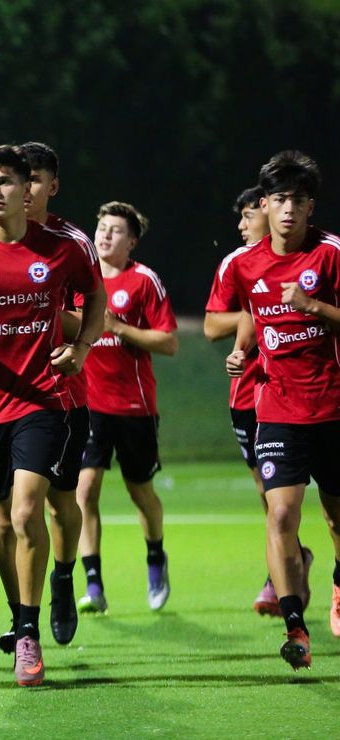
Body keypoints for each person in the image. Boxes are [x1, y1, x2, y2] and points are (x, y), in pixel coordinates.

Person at [0, 145, 104, 687]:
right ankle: (20, 611)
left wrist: (81, 350)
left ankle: (37, 619)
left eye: (5, 181)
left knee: (36, 509)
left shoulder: (63, 246)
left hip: (47, 401)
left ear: (26, 188)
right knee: (2, 521)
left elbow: (96, 300)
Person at [225, 150, 340, 670]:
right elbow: (248, 312)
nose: (288, 209)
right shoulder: (245, 263)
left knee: (335, 516)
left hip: (332, 406)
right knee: (280, 514)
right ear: (265, 204)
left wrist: (312, 305)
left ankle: (337, 582)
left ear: (310, 206)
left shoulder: (331, 253)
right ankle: (296, 627)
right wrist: (241, 349)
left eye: (298, 200)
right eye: (279, 199)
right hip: (276, 407)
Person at [205, 187, 313, 617]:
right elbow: (211, 326)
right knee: (269, 494)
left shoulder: (313, 257)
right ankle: (286, 568)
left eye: (248, 215)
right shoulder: (239, 264)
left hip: (307, 393)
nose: (241, 225)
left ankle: (296, 568)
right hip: (250, 394)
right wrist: (259, 306)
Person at [75, 202, 177, 614]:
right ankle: (93, 584)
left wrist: (119, 328)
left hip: (134, 406)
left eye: (115, 230)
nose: (105, 235)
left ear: (131, 241)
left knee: (140, 492)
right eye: (101, 227)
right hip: (88, 404)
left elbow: (168, 342)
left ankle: (155, 556)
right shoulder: (80, 278)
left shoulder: (143, 281)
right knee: (84, 491)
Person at [20, 141, 97, 649]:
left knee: (59, 502)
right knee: (16, 511)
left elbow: (92, 314)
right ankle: (21, 618)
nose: (24, 188)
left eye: (34, 178)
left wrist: (39, 309)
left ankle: (64, 576)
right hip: (4, 399)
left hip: (61, 393)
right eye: (18, 178)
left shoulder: (71, 243)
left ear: (53, 185)